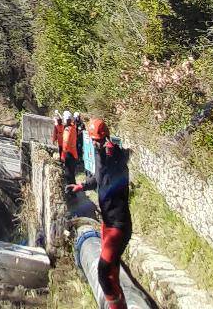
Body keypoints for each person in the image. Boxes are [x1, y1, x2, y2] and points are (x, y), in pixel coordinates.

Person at [68, 117, 131, 309]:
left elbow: (116, 163)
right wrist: (81, 186)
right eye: (93, 140)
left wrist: (110, 153)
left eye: (98, 140)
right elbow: (98, 178)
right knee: (111, 272)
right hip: (108, 223)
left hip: (118, 226)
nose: (95, 144)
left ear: (106, 138)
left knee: (103, 273)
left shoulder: (113, 157)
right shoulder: (100, 153)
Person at [60, 109, 78, 179]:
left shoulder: (67, 129)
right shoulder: (73, 127)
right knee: (72, 174)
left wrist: (62, 156)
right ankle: (74, 188)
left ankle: (69, 189)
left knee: (68, 175)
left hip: (69, 154)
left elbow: (65, 144)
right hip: (74, 154)